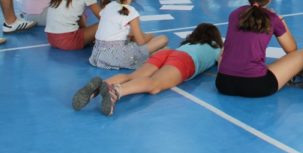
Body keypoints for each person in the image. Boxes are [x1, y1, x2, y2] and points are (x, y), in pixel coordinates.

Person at [73, 23, 223, 116]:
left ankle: (100, 86)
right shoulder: (217, 47)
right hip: (186, 61)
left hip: (170, 52)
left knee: (133, 76)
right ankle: (116, 92)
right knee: (154, 84)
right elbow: (222, 64)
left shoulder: (190, 43)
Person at [215, 0, 303, 98]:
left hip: (223, 83)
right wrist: (282, 22)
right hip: (256, 86)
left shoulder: (234, 14)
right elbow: (291, 50)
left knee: (226, 48)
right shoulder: (272, 18)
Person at [89, 0, 168, 69]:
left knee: (133, 37)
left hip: (97, 54)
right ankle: (159, 55)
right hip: (116, 56)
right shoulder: (132, 12)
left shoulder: (109, 6)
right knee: (163, 39)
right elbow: (141, 42)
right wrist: (150, 36)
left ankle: (158, 54)